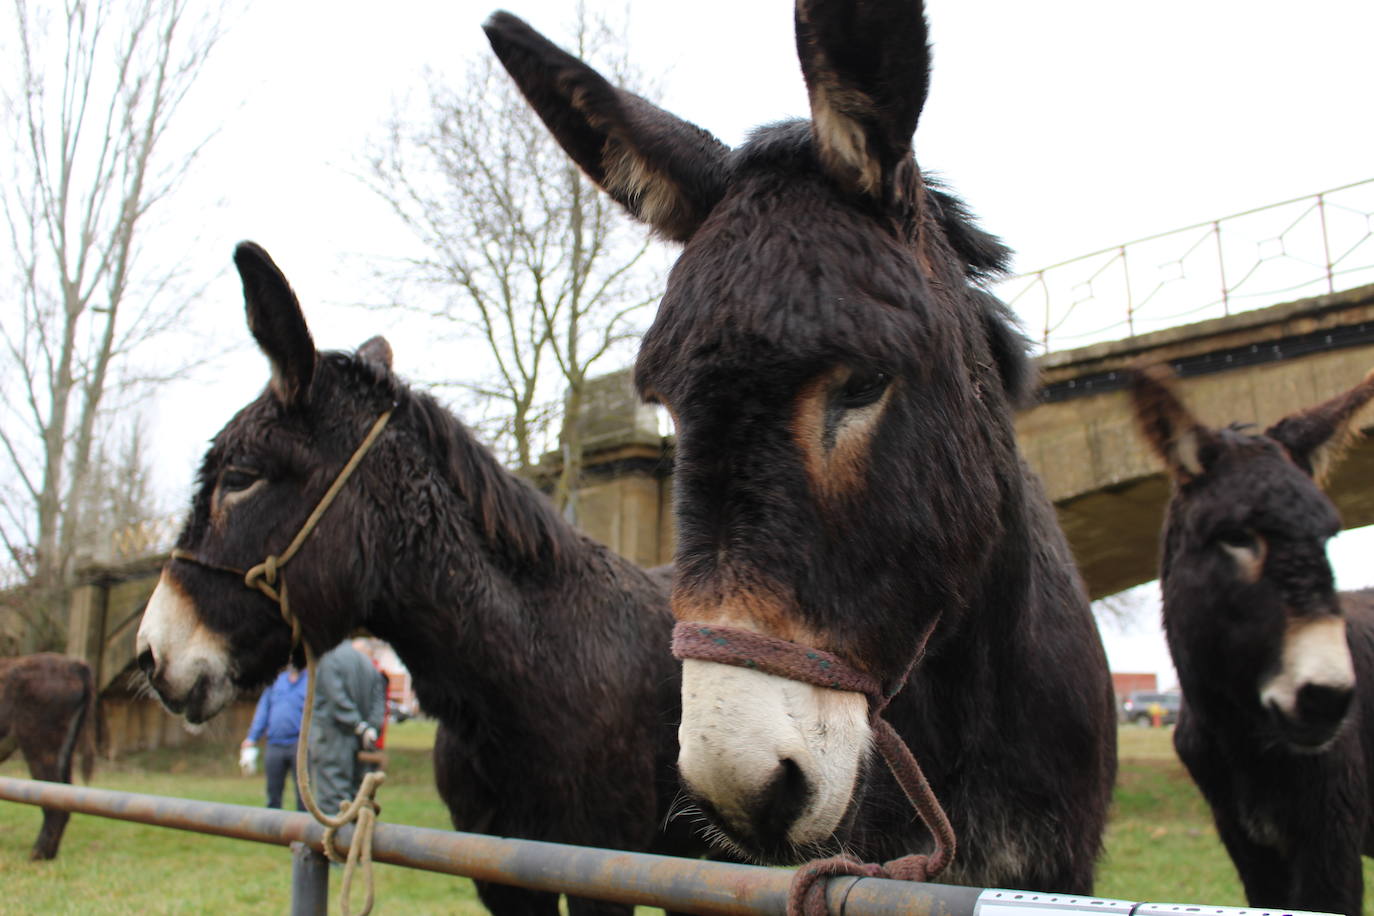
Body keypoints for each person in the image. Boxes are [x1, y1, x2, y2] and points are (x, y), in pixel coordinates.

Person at [309, 640, 387, 816]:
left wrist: (358, 725)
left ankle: (331, 842)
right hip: (361, 744)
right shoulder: (367, 663)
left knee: (333, 803)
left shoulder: (329, 658)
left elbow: (336, 698)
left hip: (332, 742)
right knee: (357, 800)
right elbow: (378, 700)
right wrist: (371, 728)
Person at [240, 665, 306, 810]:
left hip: (299, 745)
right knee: (273, 792)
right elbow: (263, 710)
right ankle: (272, 830)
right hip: (274, 744)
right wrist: (252, 737)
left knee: (303, 794)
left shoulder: (310, 682)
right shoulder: (277, 681)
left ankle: (302, 828)